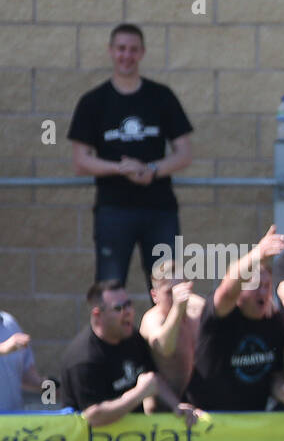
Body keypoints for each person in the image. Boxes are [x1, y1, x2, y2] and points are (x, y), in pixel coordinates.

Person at [68, 23, 193, 286]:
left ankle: (165, 329)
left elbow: (184, 154)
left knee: (170, 288)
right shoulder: (93, 101)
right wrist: (121, 168)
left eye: (133, 50)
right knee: (110, 288)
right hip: (113, 210)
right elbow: (80, 161)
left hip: (160, 210)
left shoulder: (162, 96)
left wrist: (151, 170)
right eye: (121, 49)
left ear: (142, 53)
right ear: (111, 51)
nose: (127, 55)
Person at [184, 226, 284, 412]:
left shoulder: (273, 321)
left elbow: (275, 372)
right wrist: (258, 253)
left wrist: (282, 390)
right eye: (256, 285)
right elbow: (227, 291)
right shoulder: (221, 314)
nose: (263, 291)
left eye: (266, 286)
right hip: (209, 417)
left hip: (251, 422)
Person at [60, 281, 201, 428]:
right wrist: (139, 394)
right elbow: (94, 417)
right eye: (119, 308)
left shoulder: (131, 338)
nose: (128, 312)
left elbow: (153, 380)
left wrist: (176, 405)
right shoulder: (83, 358)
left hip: (133, 440)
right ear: (97, 314)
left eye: (129, 304)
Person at [138, 258, 205, 403]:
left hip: (198, 402)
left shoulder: (198, 307)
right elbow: (165, 348)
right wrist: (177, 310)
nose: (177, 298)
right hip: (164, 410)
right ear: (154, 296)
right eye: (169, 293)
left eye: (180, 290)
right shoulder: (151, 320)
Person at [0, 311, 42, 411]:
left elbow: (25, 376)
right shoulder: (7, 344)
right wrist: (3, 348)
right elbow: (4, 348)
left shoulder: (9, 322)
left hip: (14, 422)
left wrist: (48, 387)